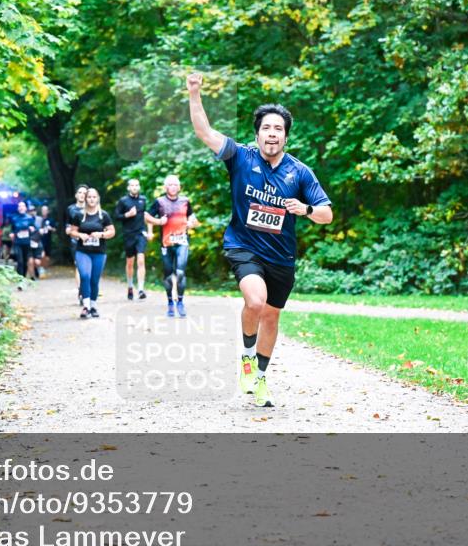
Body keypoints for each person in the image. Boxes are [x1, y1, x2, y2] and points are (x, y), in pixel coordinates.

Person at [187, 71, 333, 407]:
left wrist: (305, 209)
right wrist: (195, 94)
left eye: (278, 129)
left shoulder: (300, 172)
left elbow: (327, 213)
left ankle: (260, 377)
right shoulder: (241, 156)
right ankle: (246, 359)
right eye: (266, 128)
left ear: (285, 137)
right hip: (243, 245)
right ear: (257, 134)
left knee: (271, 315)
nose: (272, 133)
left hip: (281, 257)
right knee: (255, 301)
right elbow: (204, 132)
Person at [145, 175, 199, 318]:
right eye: (170, 184)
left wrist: (192, 222)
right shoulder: (159, 202)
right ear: (165, 187)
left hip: (182, 242)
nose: (173, 187)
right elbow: (146, 216)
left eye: (176, 184)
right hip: (166, 243)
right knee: (169, 275)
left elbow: (193, 218)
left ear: (179, 187)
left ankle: (180, 302)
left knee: (180, 273)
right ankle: (170, 302)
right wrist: (158, 221)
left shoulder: (185, 201)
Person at [68, 187, 116, 319]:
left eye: (94, 197)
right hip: (83, 251)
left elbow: (112, 232)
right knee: (85, 276)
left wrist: (101, 234)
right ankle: (86, 306)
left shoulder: (103, 215)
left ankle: (93, 306)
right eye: (89, 197)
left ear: (98, 198)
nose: (91, 199)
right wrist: (80, 235)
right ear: (85, 198)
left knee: (94, 280)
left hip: (99, 252)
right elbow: (72, 231)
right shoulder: (78, 215)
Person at [114, 178, 151, 301]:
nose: (134, 187)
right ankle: (130, 286)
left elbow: (147, 216)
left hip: (141, 233)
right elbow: (116, 216)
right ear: (128, 188)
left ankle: (140, 289)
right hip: (128, 234)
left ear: (139, 187)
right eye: (132, 185)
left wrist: (149, 231)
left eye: (137, 185)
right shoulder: (123, 201)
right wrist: (127, 215)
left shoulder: (143, 200)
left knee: (141, 260)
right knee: (130, 262)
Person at [65, 185, 88, 303]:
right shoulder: (71, 209)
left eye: (84, 193)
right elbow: (67, 225)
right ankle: (81, 291)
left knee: (89, 268)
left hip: (90, 242)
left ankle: (86, 290)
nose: (82, 195)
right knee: (79, 267)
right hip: (75, 241)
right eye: (80, 192)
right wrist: (68, 230)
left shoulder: (92, 208)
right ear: (76, 195)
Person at [8, 201, 38, 281]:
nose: (21, 208)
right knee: (20, 261)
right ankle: (20, 280)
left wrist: (32, 229)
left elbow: (35, 229)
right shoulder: (14, 218)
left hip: (27, 243)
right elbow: (12, 230)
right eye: (19, 206)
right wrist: (11, 234)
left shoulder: (29, 218)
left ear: (25, 208)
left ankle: (23, 278)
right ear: (18, 208)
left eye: (23, 206)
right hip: (18, 242)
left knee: (25, 262)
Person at [37, 205, 55, 271]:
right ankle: (41, 269)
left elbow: (54, 229)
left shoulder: (51, 220)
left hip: (48, 240)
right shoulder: (38, 219)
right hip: (39, 240)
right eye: (43, 210)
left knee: (47, 256)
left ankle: (45, 268)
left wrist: (51, 228)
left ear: (48, 211)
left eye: (45, 210)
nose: (44, 211)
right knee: (41, 254)